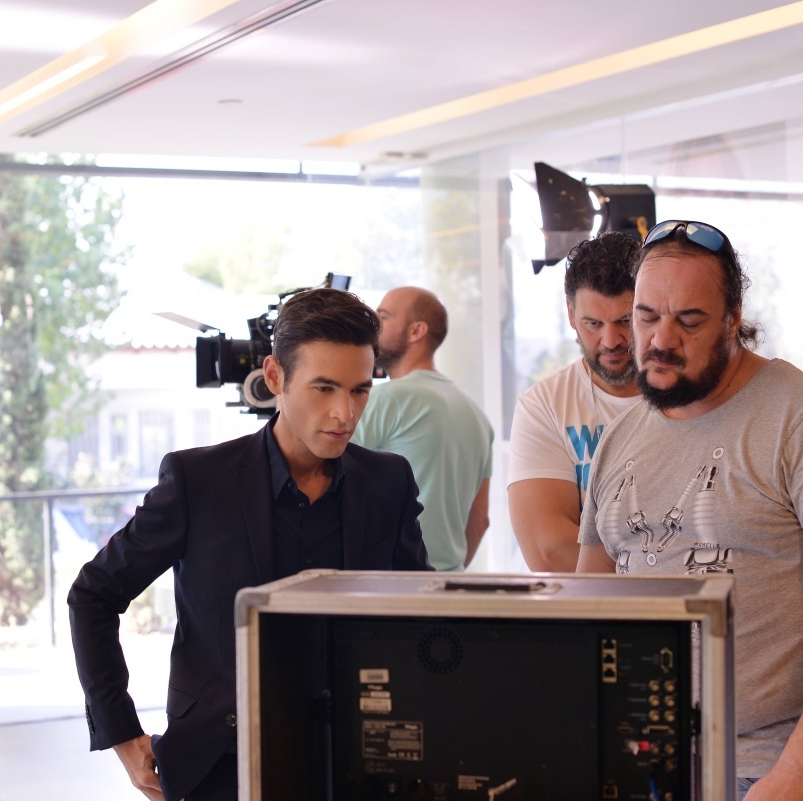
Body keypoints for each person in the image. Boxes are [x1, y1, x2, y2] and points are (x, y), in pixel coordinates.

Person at [576, 220, 803, 801]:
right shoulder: (621, 437)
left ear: (733, 319)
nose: (661, 340)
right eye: (646, 317)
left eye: (690, 320)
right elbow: (588, 600)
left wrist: (801, 767)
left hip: (762, 770)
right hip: (635, 761)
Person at [67, 288, 432, 801]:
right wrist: (122, 734)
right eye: (324, 388)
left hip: (354, 761)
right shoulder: (199, 481)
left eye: (359, 390)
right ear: (275, 376)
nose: (344, 413)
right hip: (219, 764)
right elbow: (93, 594)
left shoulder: (387, 481)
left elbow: (422, 612)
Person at [508, 231, 642, 572]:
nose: (611, 340)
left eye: (625, 321)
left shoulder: (687, 395)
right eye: (593, 323)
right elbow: (548, 550)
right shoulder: (544, 405)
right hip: (589, 607)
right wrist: (662, 569)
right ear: (571, 314)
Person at [352, 286, 493, 570]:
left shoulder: (385, 399)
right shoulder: (477, 415)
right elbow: (480, 522)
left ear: (416, 330)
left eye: (383, 317)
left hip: (392, 584)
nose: (373, 327)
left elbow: (320, 475)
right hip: (447, 584)